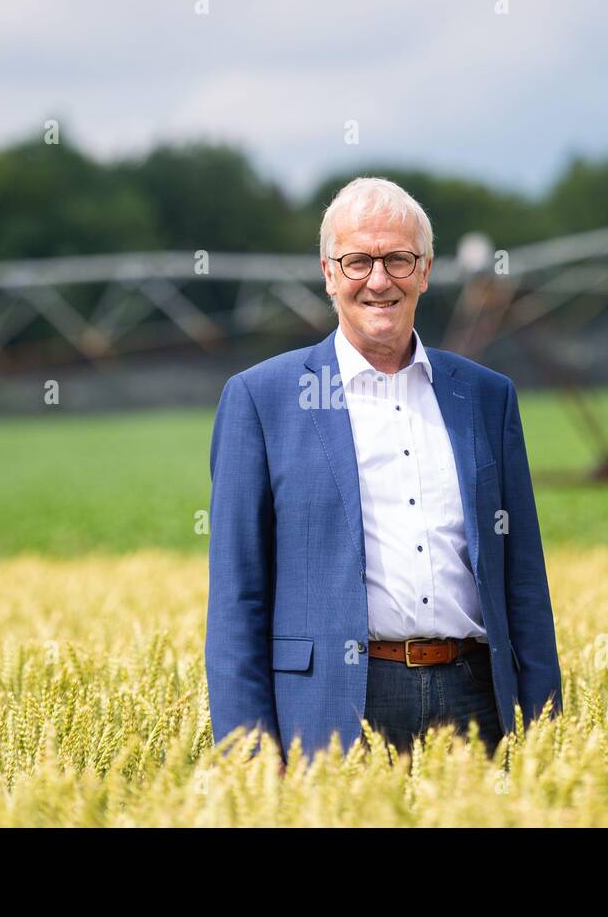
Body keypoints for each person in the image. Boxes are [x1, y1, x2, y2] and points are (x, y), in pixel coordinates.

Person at [205, 176, 562, 766]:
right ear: (327, 272)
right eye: (357, 261)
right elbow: (237, 601)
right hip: (331, 708)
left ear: (424, 270)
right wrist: (248, 760)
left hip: (477, 700)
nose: (379, 280)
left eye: (398, 259)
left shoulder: (486, 396)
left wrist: (548, 729)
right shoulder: (261, 400)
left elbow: (524, 581)